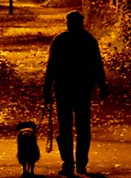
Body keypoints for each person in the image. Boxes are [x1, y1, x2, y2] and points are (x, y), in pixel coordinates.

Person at [43, 10, 108, 177]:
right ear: (82, 23)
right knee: (83, 128)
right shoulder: (89, 40)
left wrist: (47, 88)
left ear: (68, 23)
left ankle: (68, 164)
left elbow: (51, 67)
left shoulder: (59, 40)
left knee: (65, 129)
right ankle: (81, 164)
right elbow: (97, 64)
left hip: (63, 90)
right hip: (83, 90)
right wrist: (102, 85)